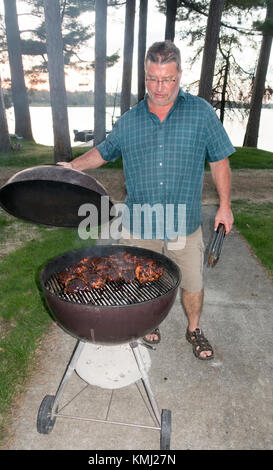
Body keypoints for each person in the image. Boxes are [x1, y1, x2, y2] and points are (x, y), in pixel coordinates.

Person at [58, 41, 235, 360]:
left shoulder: (201, 113)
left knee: (192, 282)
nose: (160, 87)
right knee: (137, 281)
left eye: (168, 79)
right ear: (145, 75)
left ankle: (193, 329)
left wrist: (225, 206)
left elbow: (220, 159)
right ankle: (147, 323)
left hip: (185, 223)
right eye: (153, 78)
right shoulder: (129, 121)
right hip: (141, 224)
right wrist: (72, 166)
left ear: (180, 74)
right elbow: (103, 152)